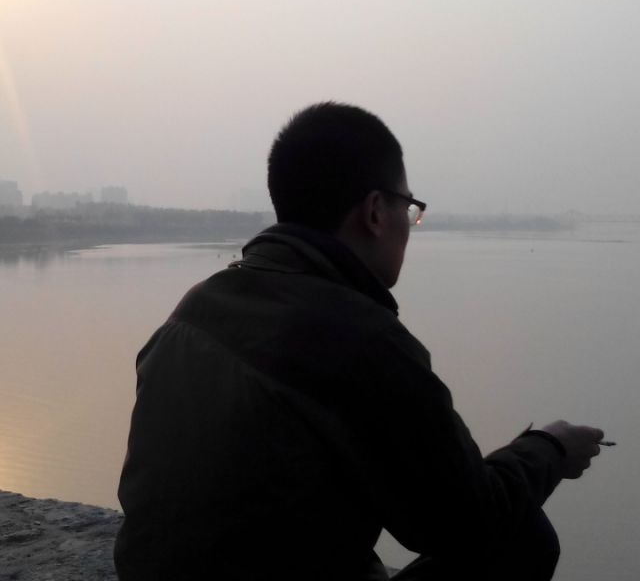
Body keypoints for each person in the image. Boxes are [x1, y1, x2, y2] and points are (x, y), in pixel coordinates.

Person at [114, 102, 605, 580]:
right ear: (375, 212)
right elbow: (464, 521)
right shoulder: (360, 337)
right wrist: (549, 448)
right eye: (408, 207)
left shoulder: (193, 309)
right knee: (523, 536)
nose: (409, 225)